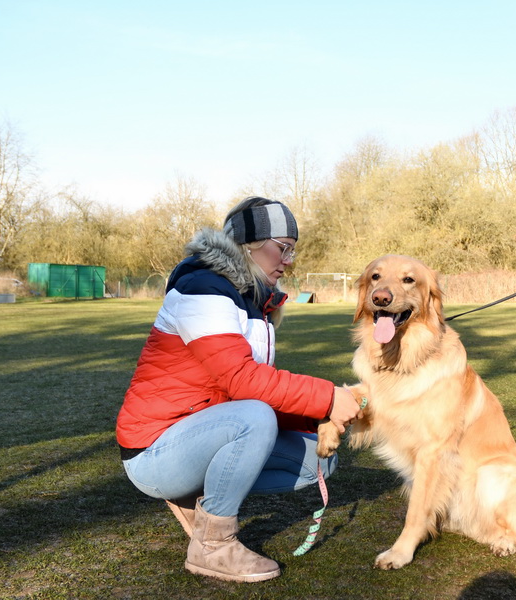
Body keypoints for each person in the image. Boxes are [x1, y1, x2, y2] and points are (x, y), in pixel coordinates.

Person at [116, 196, 363, 583]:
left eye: (292, 251)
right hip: (154, 450)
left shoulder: (251, 300)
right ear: (249, 245)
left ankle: (199, 499)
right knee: (255, 417)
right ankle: (212, 546)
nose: (289, 261)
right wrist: (329, 397)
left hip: (201, 432)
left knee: (320, 461)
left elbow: (245, 390)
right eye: (283, 248)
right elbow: (243, 382)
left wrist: (317, 416)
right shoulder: (203, 285)